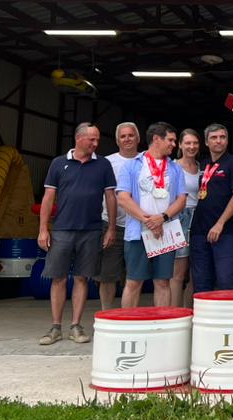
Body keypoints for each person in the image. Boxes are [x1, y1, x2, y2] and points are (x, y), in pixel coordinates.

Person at [37, 122, 117, 345]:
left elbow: (111, 197)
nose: (95, 143)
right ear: (78, 138)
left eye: (97, 139)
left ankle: (75, 325)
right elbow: (48, 197)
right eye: (92, 139)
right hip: (62, 229)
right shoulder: (58, 163)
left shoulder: (103, 165)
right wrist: (43, 229)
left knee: (82, 277)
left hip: (91, 230)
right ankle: (55, 327)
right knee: (58, 277)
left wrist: (111, 228)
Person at [116, 122, 187, 308]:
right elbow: (123, 198)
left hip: (166, 231)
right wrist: (148, 221)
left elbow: (181, 200)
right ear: (156, 139)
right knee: (134, 281)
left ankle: (161, 322)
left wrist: (162, 218)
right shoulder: (132, 166)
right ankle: (128, 322)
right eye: (170, 140)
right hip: (138, 232)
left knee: (163, 282)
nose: (174, 144)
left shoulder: (175, 168)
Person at [188, 122, 233, 294]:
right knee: (201, 282)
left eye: (222, 137)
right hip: (199, 231)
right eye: (214, 137)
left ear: (227, 140)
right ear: (206, 142)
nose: (219, 141)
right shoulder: (202, 165)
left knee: (226, 281)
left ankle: (227, 313)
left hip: (225, 231)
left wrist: (220, 224)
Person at [98, 121, 140, 309]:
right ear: (117, 141)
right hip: (111, 225)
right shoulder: (106, 162)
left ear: (138, 138)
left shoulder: (147, 161)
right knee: (107, 275)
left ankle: (129, 316)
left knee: (135, 276)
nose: (127, 139)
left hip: (139, 226)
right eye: (123, 136)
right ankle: (107, 314)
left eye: (131, 135)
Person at [170, 128, 201, 307]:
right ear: (180, 145)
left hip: (199, 218)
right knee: (178, 273)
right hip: (179, 218)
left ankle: (188, 312)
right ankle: (175, 314)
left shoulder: (201, 168)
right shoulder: (173, 167)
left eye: (195, 143)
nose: (191, 146)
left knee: (196, 273)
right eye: (188, 143)